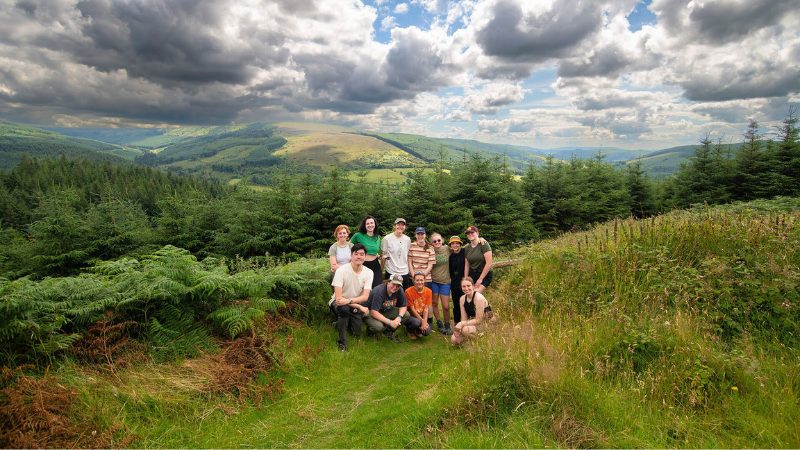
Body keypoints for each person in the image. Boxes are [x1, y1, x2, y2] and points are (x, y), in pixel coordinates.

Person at [330, 243, 373, 352]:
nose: (359, 256)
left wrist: (352, 303)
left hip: (354, 303)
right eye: (356, 254)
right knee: (344, 310)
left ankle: (338, 324)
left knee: (356, 333)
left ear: (365, 256)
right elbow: (339, 299)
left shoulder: (369, 272)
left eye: (362, 254)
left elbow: (365, 297)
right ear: (351, 255)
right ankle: (342, 343)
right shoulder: (341, 271)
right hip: (338, 303)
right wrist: (359, 307)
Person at [365, 274, 419, 342]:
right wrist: (390, 322)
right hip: (370, 312)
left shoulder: (400, 290)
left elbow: (403, 306)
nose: (395, 287)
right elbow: (374, 312)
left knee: (406, 314)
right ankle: (370, 332)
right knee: (378, 326)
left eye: (398, 285)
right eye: (393, 284)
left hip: (385, 310)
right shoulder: (379, 291)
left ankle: (389, 332)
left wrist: (399, 317)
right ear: (388, 282)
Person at [451, 276, 494, 345]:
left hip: (485, 324)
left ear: (473, 286)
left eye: (468, 286)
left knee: (465, 330)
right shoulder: (462, 299)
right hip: (472, 323)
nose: (466, 288)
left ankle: (481, 341)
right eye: (463, 286)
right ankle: (469, 340)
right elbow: (464, 319)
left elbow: (479, 320)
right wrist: (460, 327)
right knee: (454, 340)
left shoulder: (479, 298)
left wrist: (461, 324)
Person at [429, 232, 453, 335]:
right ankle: (439, 322)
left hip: (445, 282)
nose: (437, 242)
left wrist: (480, 240)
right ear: (432, 243)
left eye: (439, 240)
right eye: (434, 241)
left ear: (442, 240)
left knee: (446, 306)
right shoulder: (430, 251)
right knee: (434, 303)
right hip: (434, 281)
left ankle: (447, 324)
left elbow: (459, 249)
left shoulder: (447, 249)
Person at [350, 215, 383, 288]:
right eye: (367, 224)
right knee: (363, 287)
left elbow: (376, 251)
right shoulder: (358, 235)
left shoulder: (377, 237)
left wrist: (379, 255)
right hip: (362, 264)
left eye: (372, 223)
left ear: (375, 224)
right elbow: (349, 247)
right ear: (364, 225)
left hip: (375, 264)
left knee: (377, 287)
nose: (370, 225)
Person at [381, 218, 412, 289]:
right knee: (390, 294)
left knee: (403, 294)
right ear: (394, 226)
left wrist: (409, 270)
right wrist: (381, 270)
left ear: (405, 227)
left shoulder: (408, 239)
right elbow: (384, 256)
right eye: (398, 224)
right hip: (391, 271)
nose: (400, 227)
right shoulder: (387, 239)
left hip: (404, 271)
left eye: (402, 225)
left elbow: (407, 255)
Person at [463, 225, 493, 293]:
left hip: (484, 275)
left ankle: (485, 304)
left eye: (472, 232)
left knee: (475, 294)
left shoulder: (484, 244)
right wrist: (466, 278)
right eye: (468, 233)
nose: (470, 234)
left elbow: (489, 263)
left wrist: (480, 279)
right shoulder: (467, 248)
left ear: (477, 233)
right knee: (470, 295)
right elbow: (467, 265)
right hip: (473, 275)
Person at [405, 272, 432, 339]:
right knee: (416, 322)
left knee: (427, 331)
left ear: (424, 280)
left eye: (421, 280)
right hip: (411, 315)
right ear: (414, 281)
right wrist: (422, 321)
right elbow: (412, 308)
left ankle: (417, 330)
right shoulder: (408, 291)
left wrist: (425, 321)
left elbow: (426, 309)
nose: (419, 282)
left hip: (422, 315)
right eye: (417, 280)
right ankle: (409, 330)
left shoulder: (429, 291)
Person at [447, 235, 465, 325]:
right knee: (456, 304)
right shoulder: (451, 257)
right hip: (454, 283)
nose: (455, 245)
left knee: (467, 302)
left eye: (457, 243)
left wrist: (481, 239)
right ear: (450, 245)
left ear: (460, 244)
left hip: (465, 282)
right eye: (453, 244)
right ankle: (457, 323)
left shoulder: (465, 252)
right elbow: (450, 271)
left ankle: (468, 321)